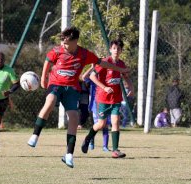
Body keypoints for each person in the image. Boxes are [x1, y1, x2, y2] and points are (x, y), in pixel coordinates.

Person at [27, 27, 129, 168]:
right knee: (50, 102)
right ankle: (35, 136)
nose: (63, 44)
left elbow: (102, 63)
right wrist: (44, 77)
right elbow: (48, 61)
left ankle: (68, 155)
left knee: (74, 118)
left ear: (75, 41)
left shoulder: (84, 54)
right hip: (56, 84)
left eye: (66, 42)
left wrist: (120, 70)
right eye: (62, 42)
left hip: (72, 89)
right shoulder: (57, 51)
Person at [81, 39, 134, 159]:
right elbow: (92, 76)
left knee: (116, 122)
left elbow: (126, 77)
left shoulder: (121, 64)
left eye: (119, 49)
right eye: (114, 48)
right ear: (110, 49)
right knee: (101, 124)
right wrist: (104, 87)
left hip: (116, 98)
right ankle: (88, 138)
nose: (116, 50)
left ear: (121, 51)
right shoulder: (105, 62)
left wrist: (131, 87)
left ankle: (115, 150)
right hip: (102, 99)